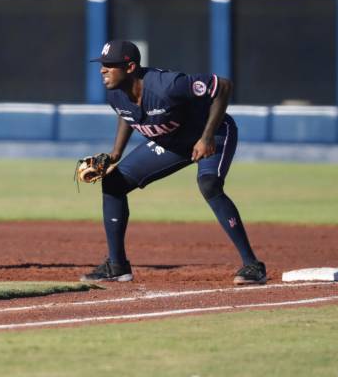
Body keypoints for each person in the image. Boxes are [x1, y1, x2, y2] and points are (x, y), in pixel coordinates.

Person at [80, 39, 266, 285]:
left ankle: (253, 265)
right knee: (113, 183)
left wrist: (207, 137)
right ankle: (117, 265)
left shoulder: (167, 85)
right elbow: (127, 115)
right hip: (172, 143)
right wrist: (115, 153)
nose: (103, 69)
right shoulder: (115, 94)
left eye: (110, 65)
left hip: (214, 132)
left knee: (209, 184)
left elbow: (222, 86)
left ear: (130, 67)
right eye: (102, 64)